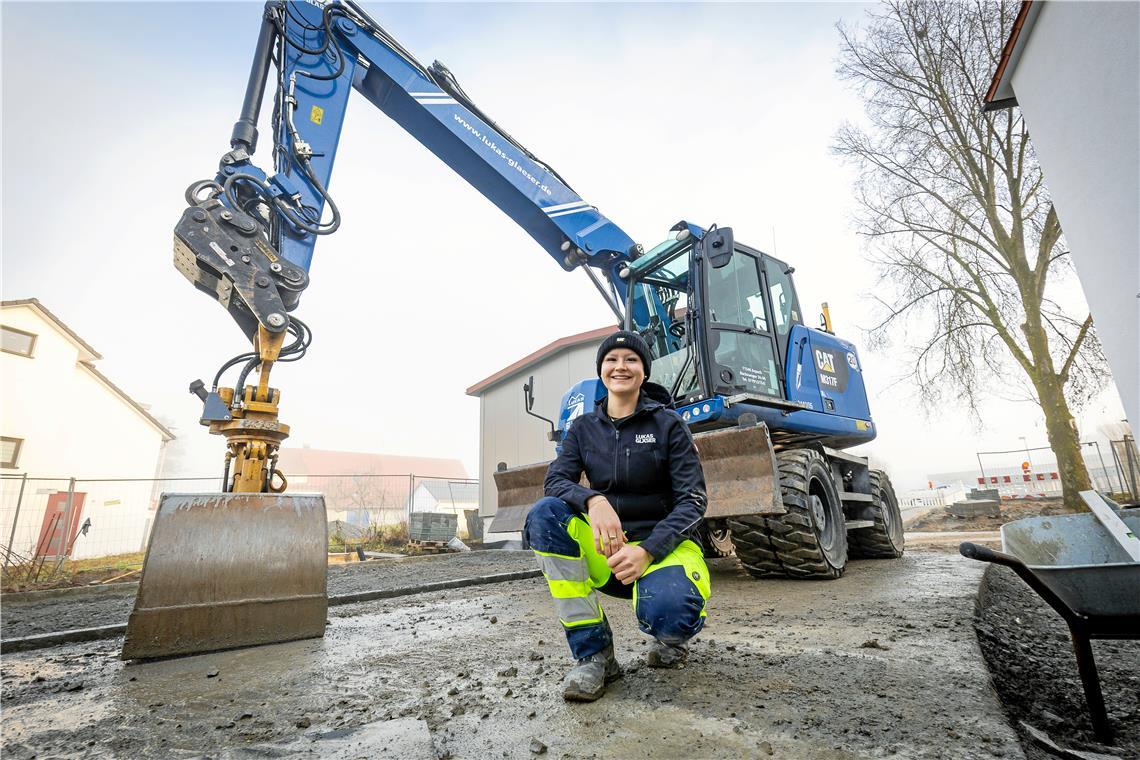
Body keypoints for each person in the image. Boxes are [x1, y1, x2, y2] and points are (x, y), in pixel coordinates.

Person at [524, 330, 710, 702]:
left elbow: (693, 500)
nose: (620, 366)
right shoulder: (582, 428)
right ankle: (594, 655)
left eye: (630, 360)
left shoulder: (668, 425)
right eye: (611, 360)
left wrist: (649, 550)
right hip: (609, 550)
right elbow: (556, 481)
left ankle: (670, 638)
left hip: (662, 550)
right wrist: (593, 501)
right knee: (545, 516)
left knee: (673, 613)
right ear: (601, 369)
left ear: (644, 372)